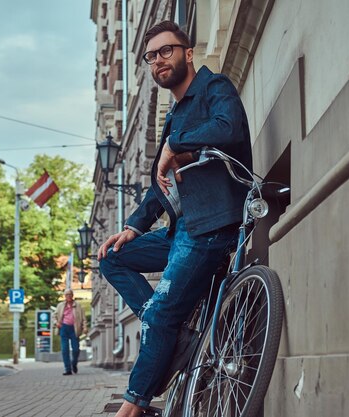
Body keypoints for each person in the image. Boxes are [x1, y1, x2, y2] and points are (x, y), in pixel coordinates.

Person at [97, 20, 252, 417]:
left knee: (162, 312)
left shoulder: (214, 89)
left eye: (167, 51)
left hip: (210, 226)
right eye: (151, 56)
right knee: (112, 257)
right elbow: (159, 187)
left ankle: (133, 406)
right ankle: (175, 336)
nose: (159, 61)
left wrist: (175, 145)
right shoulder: (175, 115)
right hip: (180, 230)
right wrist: (133, 227)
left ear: (188, 52)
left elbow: (228, 127)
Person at [54, 288, 87, 375]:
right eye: (66, 295)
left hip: (75, 328)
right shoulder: (60, 305)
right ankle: (68, 369)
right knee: (65, 350)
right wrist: (56, 323)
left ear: (72, 295)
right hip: (64, 328)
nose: (68, 296)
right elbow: (54, 316)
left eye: (70, 294)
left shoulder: (78, 305)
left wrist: (85, 327)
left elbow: (83, 318)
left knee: (76, 349)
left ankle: (74, 363)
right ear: (64, 296)